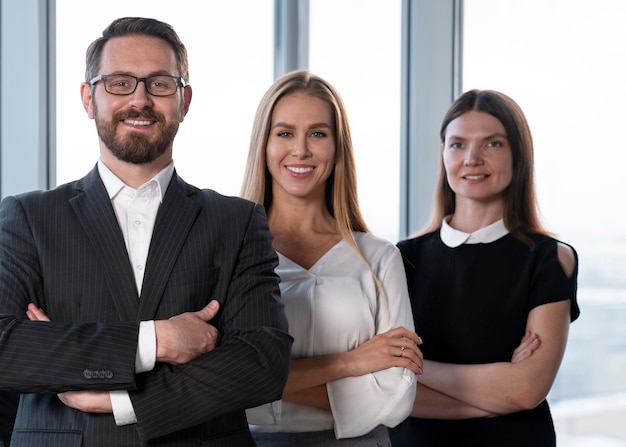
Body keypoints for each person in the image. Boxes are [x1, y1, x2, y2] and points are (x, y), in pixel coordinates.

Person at [0, 17, 292, 446]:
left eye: (159, 84)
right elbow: (7, 348)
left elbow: (262, 364)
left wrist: (123, 401)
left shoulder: (237, 221)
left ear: (184, 99)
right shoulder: (30, 217)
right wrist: (157, 340)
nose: (140, 99)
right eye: (119, 83)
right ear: (88, 98)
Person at [240, 69, 423, 446]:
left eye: (318, 134)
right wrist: (352, 363)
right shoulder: (230, 251)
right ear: (264, 144)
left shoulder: (379, 258)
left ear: (337, 147)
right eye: (285, 133)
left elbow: (397, 395)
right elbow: (211, 376)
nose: (301, 150)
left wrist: (259, 382)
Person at [389, 89, 580, 447]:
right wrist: (496, 391)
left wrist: (414, 365)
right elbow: (386, 393)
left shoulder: (550, 257)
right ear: (444, 154)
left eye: (492, 144)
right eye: (458, 144)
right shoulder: (401, 259)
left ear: (517, 156)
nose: (472, 158)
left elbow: (526, 390)